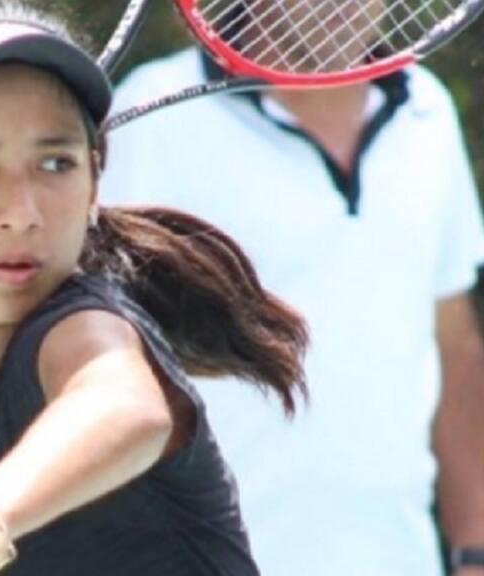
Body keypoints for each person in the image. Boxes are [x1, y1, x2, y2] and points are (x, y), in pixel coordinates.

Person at [0, 2, 309, 575]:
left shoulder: (86, 330)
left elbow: (123, 404)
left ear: (93, 183)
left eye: (55, 163)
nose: (22, 212)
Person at [100, 8, 484, 576]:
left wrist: (473, 549)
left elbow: (454, 350)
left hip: (398, 559)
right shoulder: (154, 108)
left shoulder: (427, 111)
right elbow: (96, 355)